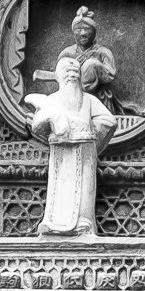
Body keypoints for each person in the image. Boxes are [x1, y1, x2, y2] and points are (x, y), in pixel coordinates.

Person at [27, 50, 120, 237]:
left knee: (85, 185)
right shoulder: (51, 101)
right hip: (61, 150)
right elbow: (37, 125)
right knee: (60, 184)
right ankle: (53, 222)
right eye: (67, 73)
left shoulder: (89, 100)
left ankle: (83, 223)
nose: (71, 76)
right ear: (59, 77)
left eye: (75, 74)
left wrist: (91, 134)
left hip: (85, 149)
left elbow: (109, 121)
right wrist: (55, 127)